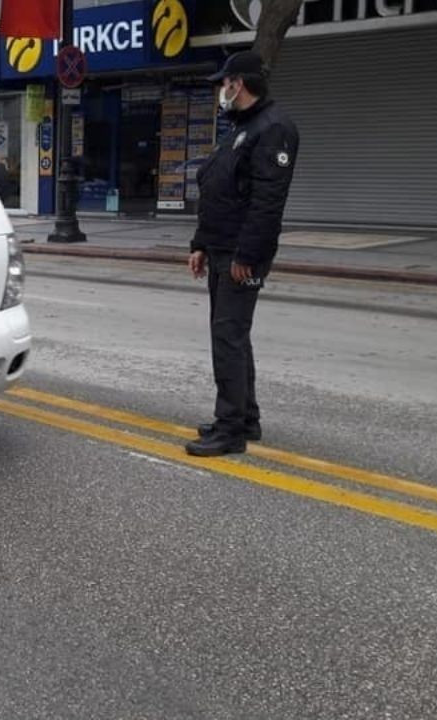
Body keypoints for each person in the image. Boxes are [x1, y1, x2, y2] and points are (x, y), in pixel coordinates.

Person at [185, 50, 300, 458]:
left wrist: (247, 256)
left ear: (239, 83)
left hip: (240, 252)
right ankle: (245, 418)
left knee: (227, 337)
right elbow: (217, 189)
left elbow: (268, 204)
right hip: (220, 247)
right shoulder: (240, 127)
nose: (221, 89)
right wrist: (200, 243)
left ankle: (230, 429)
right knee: (233, 334)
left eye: (224, 82)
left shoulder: (273, 130)